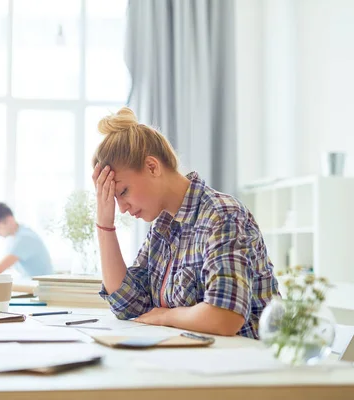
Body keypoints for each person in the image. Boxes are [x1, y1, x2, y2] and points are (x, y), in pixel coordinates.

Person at [91, 107, 279, 339]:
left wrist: (165, 316)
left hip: (248, 365)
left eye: (123, 191)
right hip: (199, 361)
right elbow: (128, 305)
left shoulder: (222, 215)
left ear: (152, 167)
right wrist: (104, 224)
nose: (122, 208)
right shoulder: (162, 227)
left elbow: (225, 318)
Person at [0, 202, 54, 278]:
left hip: (39, 287)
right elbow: (5, 265)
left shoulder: (24, 239)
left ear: (9, 220)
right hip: (34, 284)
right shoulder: (20, 233)